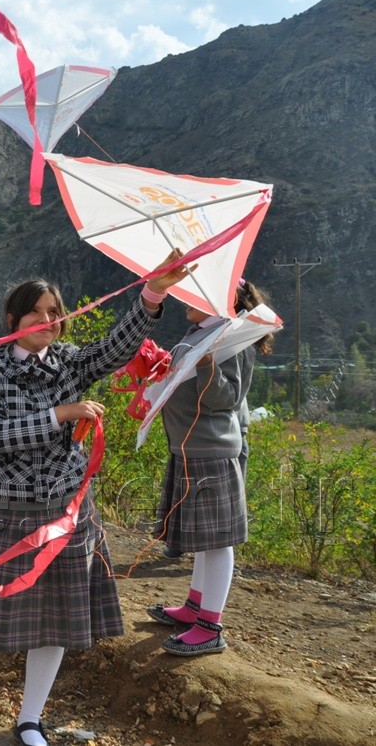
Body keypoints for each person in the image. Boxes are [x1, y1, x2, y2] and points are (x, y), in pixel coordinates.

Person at [0, 253, 189, 746]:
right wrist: (61, 413)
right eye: (35, 312)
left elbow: (116, 348)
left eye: (53, 312)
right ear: (13, 320)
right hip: (12, 512)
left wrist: (154, 294)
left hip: (67, 511)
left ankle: (29, 719)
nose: (47, 321)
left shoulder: (70, 360)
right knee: (2, 610)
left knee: (55, 622)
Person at [146, 279, 274, 657]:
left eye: (194, 293)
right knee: (204, 538)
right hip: (190, 447)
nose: (184, 298)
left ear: (218, 301)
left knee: (217, 542)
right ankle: (194, 606)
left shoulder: (231, 339)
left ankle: (211, 625)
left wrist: (205, 366)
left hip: (212, 449)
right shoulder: (200, 331)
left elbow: (227, 398)